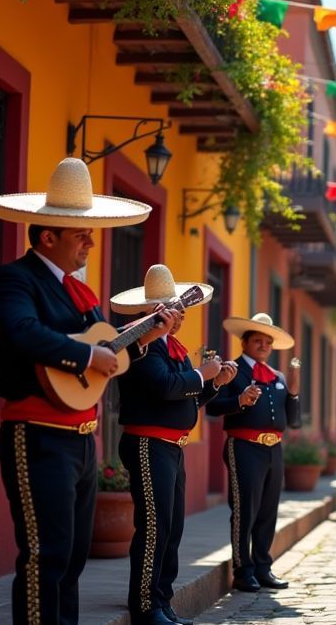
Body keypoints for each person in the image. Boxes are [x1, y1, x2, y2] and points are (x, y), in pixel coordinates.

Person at [0, 157, 173, 624]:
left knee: (71, 559)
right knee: (44, 557)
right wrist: (88, 357)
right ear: (48, 236)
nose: (92, 240)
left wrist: (145, 335)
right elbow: (20, 332)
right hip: (37, 433)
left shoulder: (80, 293)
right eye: (81, 233)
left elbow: (109, 346)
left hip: (81, 439)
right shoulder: (15, 279)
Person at [112, 265, 235, 625]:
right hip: (148, 443)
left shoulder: (173, 347)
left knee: (173, 527)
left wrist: (214, 384)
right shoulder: (143, 345)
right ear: (152, 312)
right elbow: (165, 386)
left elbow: (185, 400)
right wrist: (201, 374)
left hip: (170, 446)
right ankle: (146, 605)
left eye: (179, 310)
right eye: (171, 310)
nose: (179, 317)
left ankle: (162, 600)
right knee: (155, 525)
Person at [206, 313, 300, 594]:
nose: (263, 345)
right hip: (244, 446)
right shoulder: (231, 369)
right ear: (244, 342)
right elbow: (211, 407)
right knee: (245, 510)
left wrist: (293, 393)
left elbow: (292, 420)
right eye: (257, 340)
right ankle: (242, 570)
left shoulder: (278, 376)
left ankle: (262, 566)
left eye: (268, 342)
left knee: (268, 511)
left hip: (274, 448)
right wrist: (239, 400)